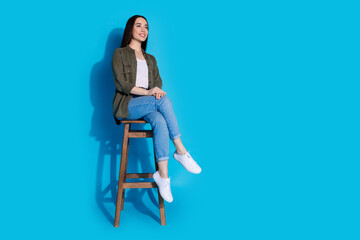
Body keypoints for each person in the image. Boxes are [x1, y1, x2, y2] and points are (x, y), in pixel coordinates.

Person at [111, 15, 201, 203]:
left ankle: (163, 177)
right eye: (138, 25)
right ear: (130, 29)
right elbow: (122, 85)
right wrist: (150, 92)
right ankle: (181, 151)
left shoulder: (150, 59)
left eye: (146, 26)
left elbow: (158, 84)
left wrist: (155, 91)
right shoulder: (120, 53)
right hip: (128, 104)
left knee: (160, 120)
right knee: (163, 101)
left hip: (148, 104)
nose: (143, 29)